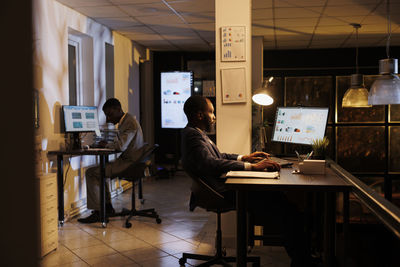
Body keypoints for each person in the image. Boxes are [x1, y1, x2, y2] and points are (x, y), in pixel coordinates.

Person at [181, 95, 312, 267]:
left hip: (222, 187)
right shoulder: (193, 135)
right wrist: (253, 167)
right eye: (211, 112)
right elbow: (210, 163)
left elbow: (219, 156)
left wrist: (245, 157)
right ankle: (302, 260)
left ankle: (301, 257)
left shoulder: (196, 133)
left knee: (281, 202)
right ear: (199, 115)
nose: (214, 117)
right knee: (283, 207)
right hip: (220, 192)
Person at [78, 98, 146, 224]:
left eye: (110, 115)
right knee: (100, 171)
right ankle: (107, 208)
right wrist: (109, 144)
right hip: (131, 161)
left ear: (118, 110)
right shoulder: (127, 120)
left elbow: (121, 146)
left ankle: (99, 212)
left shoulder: (129, 122)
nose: (108, 119)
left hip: (129, 163)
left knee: (92, 173)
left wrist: (106, 145)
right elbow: (122, 143)